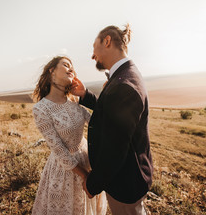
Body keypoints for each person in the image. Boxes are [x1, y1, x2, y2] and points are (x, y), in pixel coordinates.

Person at [71, 24, 153, 215]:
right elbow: (114, 113)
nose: (93, 56)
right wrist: (86, 95)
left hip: (126, 180)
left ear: (107, 41)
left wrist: (93, 184)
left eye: (94, 47)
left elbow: (115, 148)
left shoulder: (124, 84)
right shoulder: (127, 75)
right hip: (130, 174)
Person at [31, 56, 107, 215]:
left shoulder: (75, 100)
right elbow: (59, 150)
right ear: (52, 71)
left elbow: (97, 122)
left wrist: (87, 93)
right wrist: (87, 177)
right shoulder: (41, 109)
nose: (71, 69)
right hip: (65, 169)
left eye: (73, 67)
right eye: (66, 65)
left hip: (86, 157)